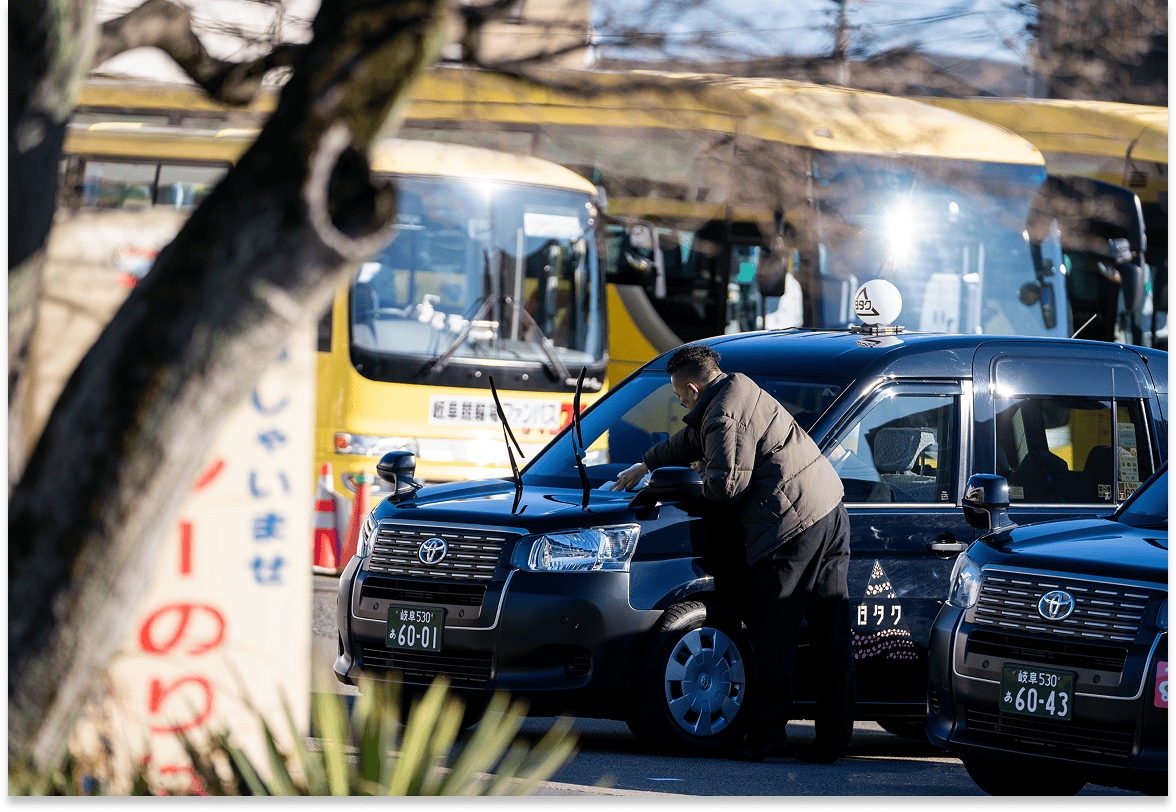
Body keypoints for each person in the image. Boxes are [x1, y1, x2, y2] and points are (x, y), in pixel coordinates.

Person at [611, 343, 855, 764]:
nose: (679, 400)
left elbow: (727, 488)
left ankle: (767, 739)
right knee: (831, 631)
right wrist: (646, 464)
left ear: (691, 385)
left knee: (775, 634)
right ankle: (835, 741)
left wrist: (693, 480)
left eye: (678, 394)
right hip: (829, 507)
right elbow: (693, 436)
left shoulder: (723, 415)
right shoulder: (738, 389)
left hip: (790, 523)